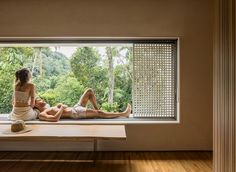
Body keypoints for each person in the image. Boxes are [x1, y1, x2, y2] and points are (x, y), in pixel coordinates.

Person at [34, 88, 131, 122]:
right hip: (75, 113)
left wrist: (59, 106)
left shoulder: (48, 107)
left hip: (75, 107)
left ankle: (98, 112)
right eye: (37, 100)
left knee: (89, 91)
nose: (41, 99)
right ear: (35, 105)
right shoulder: (42, 114)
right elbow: (55, 119)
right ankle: (123, 114)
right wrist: (61, 108)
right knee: (99, 113)